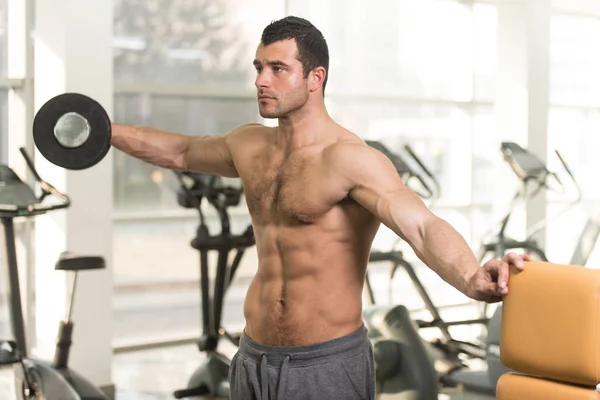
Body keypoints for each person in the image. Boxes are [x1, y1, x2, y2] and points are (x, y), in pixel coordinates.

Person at [111, 15, 530, 400]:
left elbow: (420, 226)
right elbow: (182, 151)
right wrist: (103, 130)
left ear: (315, 77)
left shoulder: (349, 159)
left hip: (326, 365)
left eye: (278, 69)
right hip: (254, 357)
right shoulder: (249, 145)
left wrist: (472, 277)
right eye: (258, 67)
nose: (262, 80)